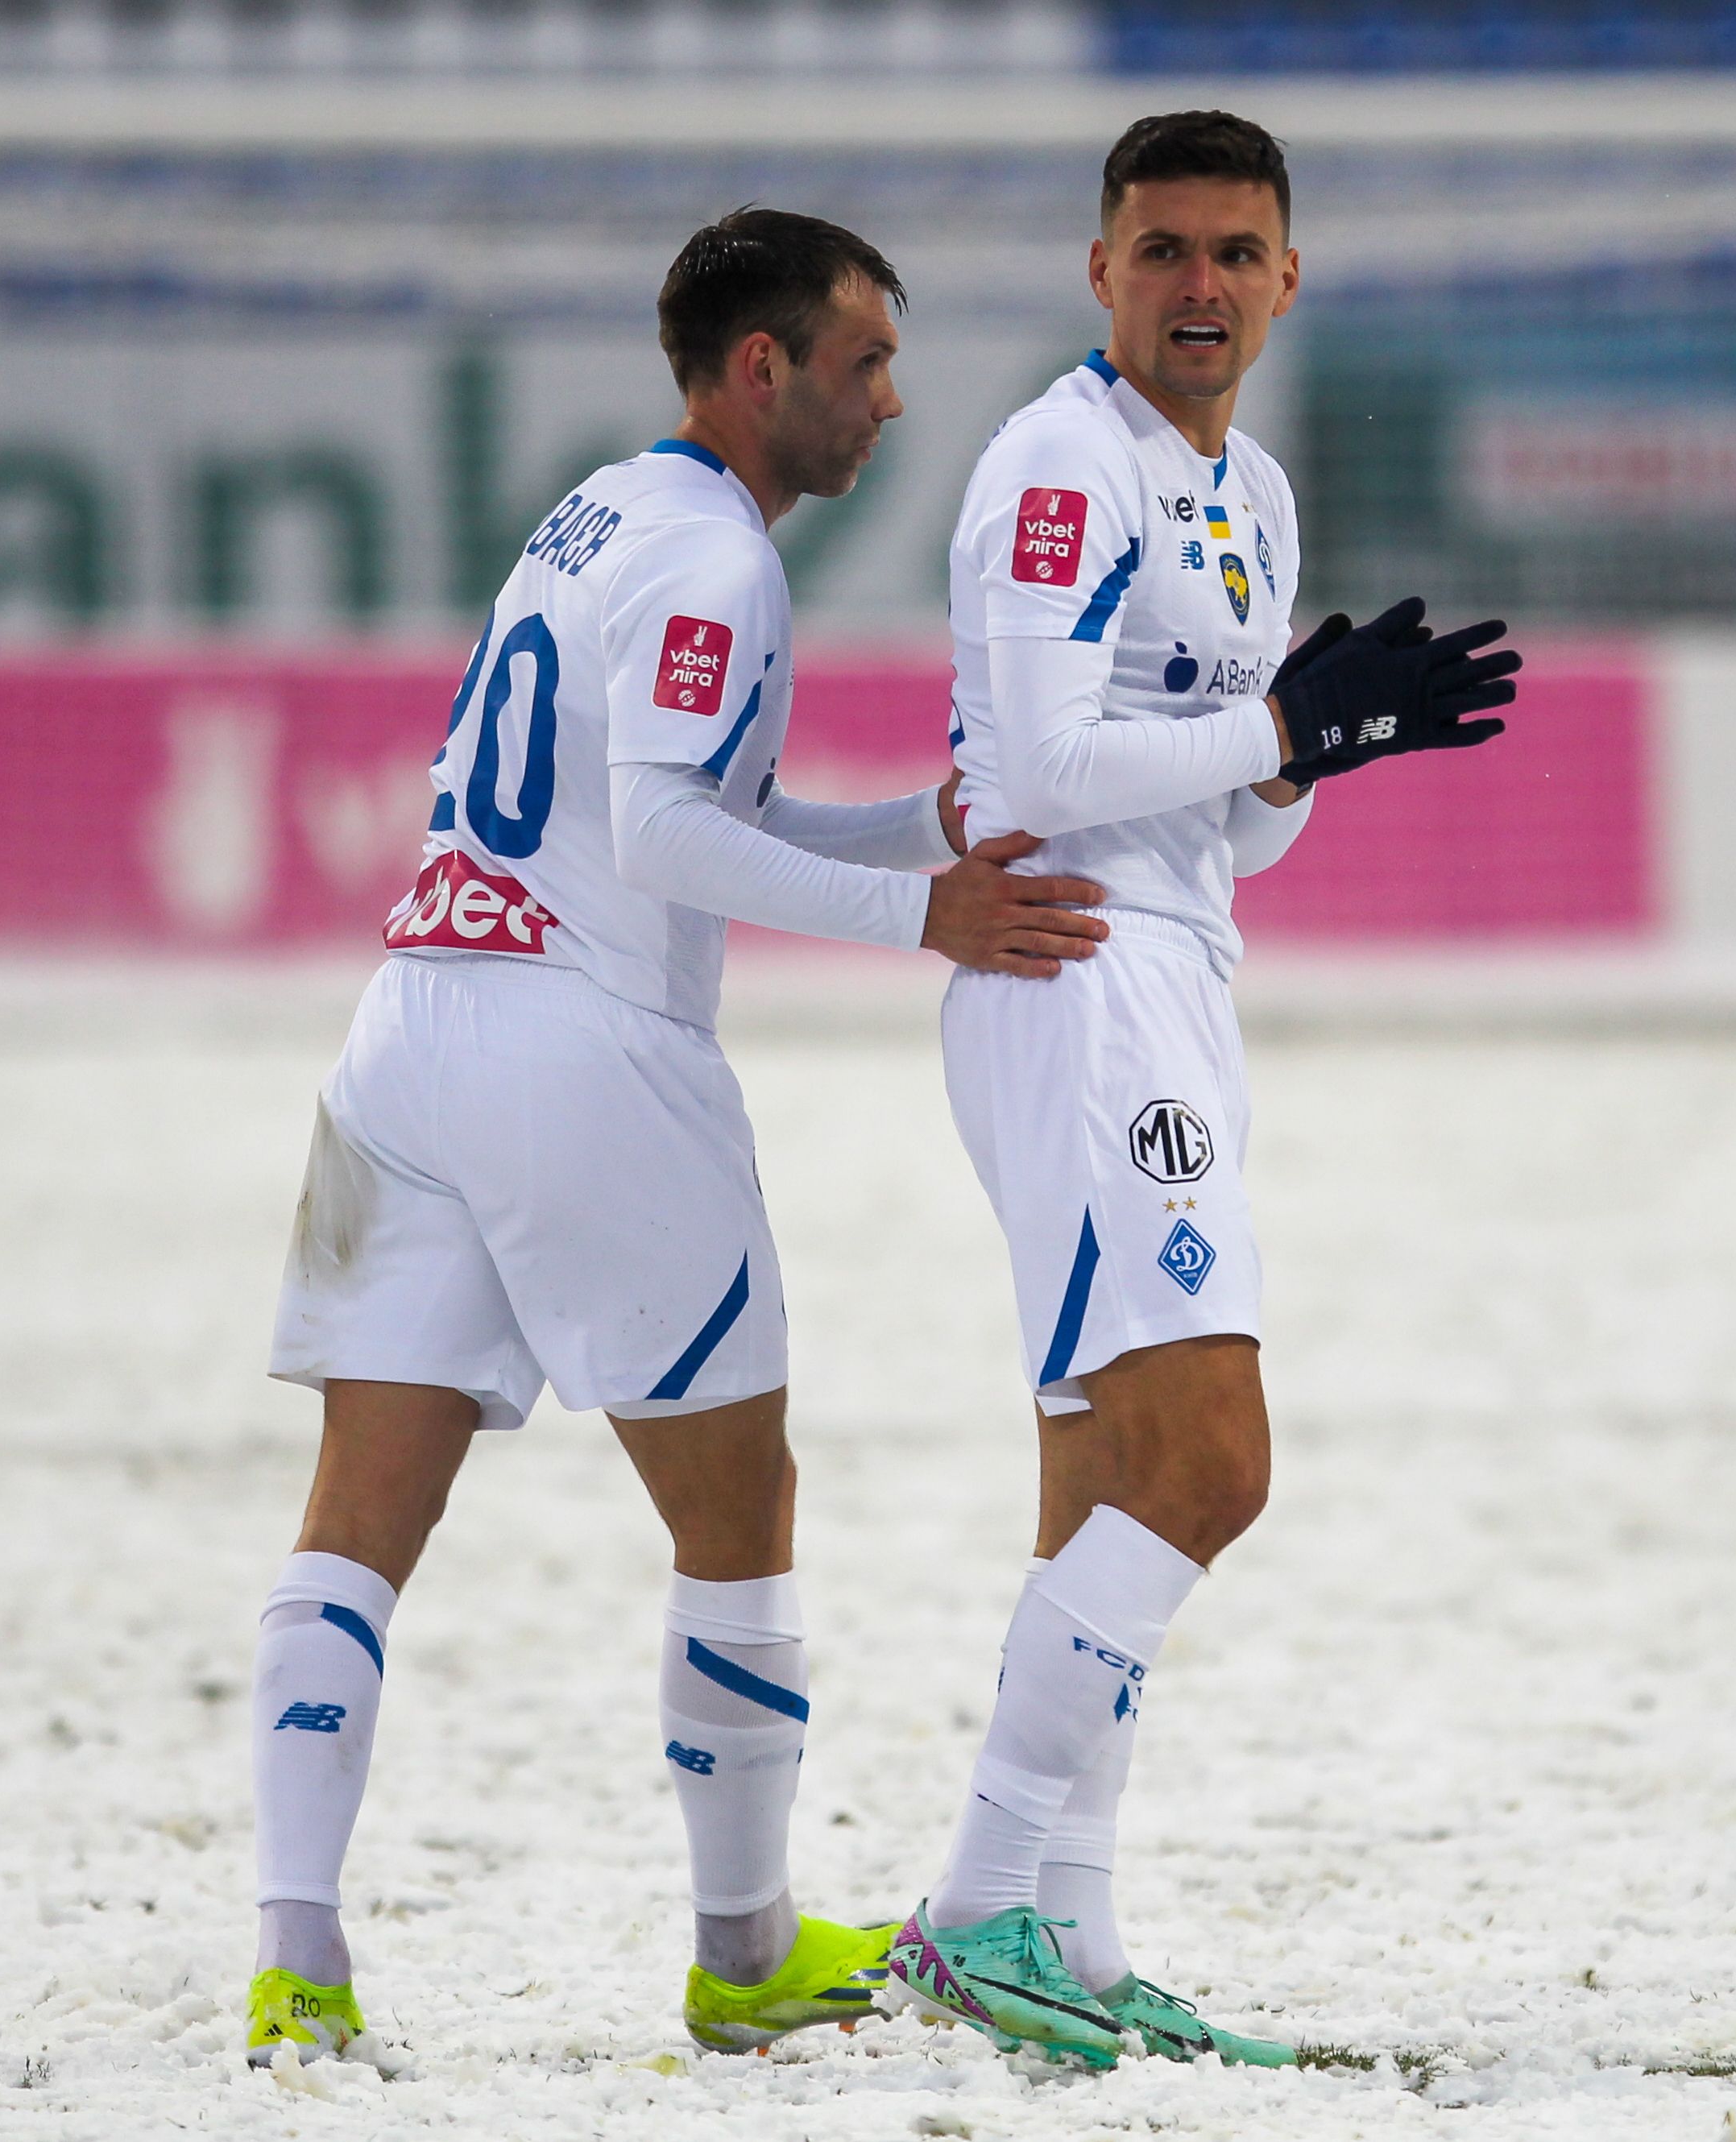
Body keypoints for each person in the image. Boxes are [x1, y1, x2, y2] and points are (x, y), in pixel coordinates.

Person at [242, 207, 1108, 2067]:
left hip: (414, 1023)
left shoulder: (603, 514)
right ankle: (745, 1947)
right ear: (762, 367)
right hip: (588, 1054)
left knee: (358, 1524)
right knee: (740, 1515)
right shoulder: (719, 560)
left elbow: (693, 796)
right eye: (864, 362)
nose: (892, 400)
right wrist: (925, 919)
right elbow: (663, 841)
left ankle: (297, 1956)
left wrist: (910, 828)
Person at [882, 112, 1524, 2069]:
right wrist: (1272, 720)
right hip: (1072, 981)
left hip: (1170, 977)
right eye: (1162, 250)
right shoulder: (1059, 468)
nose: (1200, 287)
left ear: (1287, 279)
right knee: (1214, 1465)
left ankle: (1066, 1945)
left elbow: (1231, 843)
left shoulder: (1252, 491)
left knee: (1107, 1476)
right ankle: (972, 1907)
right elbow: (1058, 765)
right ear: (1101, 272)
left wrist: (1302, 763)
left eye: (1237, 253)